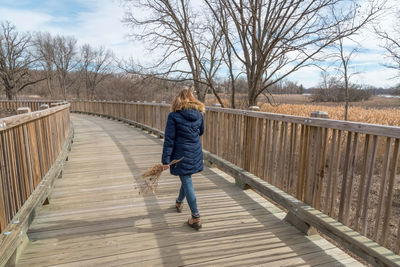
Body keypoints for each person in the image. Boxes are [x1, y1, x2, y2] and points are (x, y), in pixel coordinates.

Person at [161, 89, 205, 230]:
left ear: (177, 100)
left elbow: (169, 139)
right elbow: (201, 131)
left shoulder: (173, 116)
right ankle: (179, 202)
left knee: (186, 179)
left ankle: (196, 217)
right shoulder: (199, 114)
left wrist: (165, 160)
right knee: (186, 177)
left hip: (181, 153)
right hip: (195, 151)